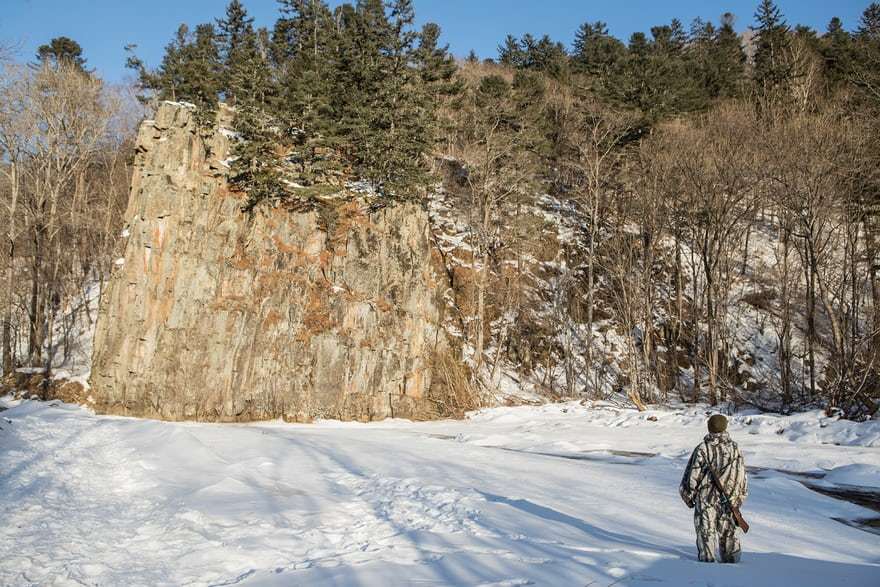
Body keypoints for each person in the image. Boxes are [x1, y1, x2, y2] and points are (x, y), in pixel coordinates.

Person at [679, 414, 748, 563]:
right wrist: (740, 497)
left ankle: (707, 566)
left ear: (709, 427)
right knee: (729, 533)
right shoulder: (735, 448)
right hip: (730, 500)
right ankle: (733, 565)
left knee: (706, 533)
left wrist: (689, 496)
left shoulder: (702, 449)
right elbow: (742, 474)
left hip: (706, 499)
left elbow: (693, 475)